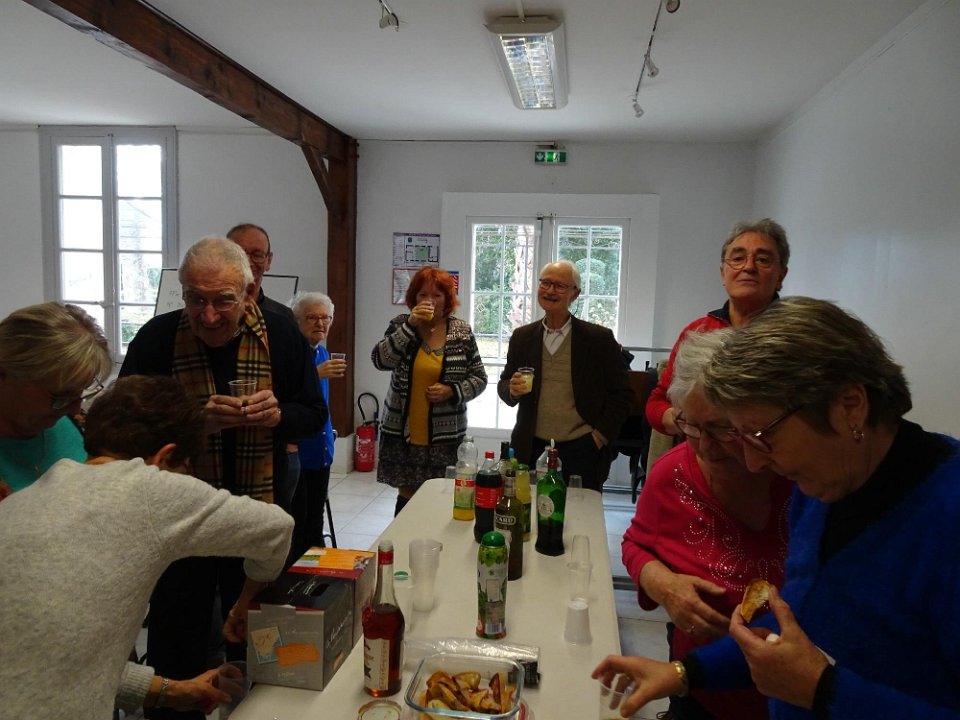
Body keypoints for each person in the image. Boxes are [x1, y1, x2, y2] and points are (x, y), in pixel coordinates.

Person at [594, 297, 960, 719]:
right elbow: (793, 627)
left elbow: (816, 677)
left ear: (849, 406)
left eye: (762, 436)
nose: (753, 463)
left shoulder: (944, 517)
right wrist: (684, 672)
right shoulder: (821, 487)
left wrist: (824, 691)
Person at [0, 375, 294, 718]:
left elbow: (60, 656)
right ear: (164, 458)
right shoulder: (149, 488)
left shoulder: (27, 498)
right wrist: (244, 603)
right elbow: (277, 529)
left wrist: (171, 690)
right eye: (187, 468)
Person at [120, 236, 326, 720]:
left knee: (256, 636)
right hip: (177, 520)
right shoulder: (157, 339)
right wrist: (194, 424)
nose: (208, 315)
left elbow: (313, 415)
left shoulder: (281, 334)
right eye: (195, 299)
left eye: (222, 301)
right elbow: (121, 433)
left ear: (249, 293)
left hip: (255, 512)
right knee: (178, 637)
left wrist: (279, 415)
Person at [622, 330, 791, 720]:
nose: (706, 446)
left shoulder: (800, 477)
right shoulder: (671, 475)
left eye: (723, 428)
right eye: (692, 426)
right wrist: (663, 584)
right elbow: (635, 544)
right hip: (699, 692)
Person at [646, 218, 789, 437]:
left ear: (781, 275)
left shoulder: (795, 335)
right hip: (703, 448)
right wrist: (688, 420)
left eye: (762, 260)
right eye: (738, 258)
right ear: (723, 273)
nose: (749, 267)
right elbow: (658, 402)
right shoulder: (698, 331)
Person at [497, 260, 632, 491]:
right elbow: (504, 384)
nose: (550, 291)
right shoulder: (522, 337)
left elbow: (623, 395)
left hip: (582, 449)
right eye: (545, 283)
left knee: (579, 512)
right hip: (531, 447)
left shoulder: (598, 339)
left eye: (559, 286)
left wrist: (599, 438)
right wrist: (511, 389)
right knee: (528, 509)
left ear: (575, 294)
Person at [372, 266, 487, 514]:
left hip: (446, 437)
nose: (429, 300)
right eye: (423, 294)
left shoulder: (461, 331)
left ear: (447, 299)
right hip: (403, 434)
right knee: (407, 502)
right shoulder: (400, 325)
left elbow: (479, 378)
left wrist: (452, 391)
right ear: (414, 298)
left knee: (441, 499)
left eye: (436, 295)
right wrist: (410, 325)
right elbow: (381, 360)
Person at [0, 302, 112, 496]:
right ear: (4, 375)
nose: (75, 409)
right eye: (61, 396)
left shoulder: (78, 424)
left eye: (81, 393)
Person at [227, 222, 301, 508]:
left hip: (270, 454)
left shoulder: (282, 320)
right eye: (239, 253)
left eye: (257, 254)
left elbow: (304, 401)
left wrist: (279, 415)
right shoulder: (198, 319)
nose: (248, 261)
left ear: (269, 261)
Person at [290, 291, 344, 552]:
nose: (320, 324)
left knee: (315, 518)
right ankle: (297, 571)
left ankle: (316, 568)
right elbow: (281, 393)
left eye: (326, 318)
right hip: (296, 451)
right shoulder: (290, 354)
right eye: (312, 317)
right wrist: (314, 374)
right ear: (296, 320)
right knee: (297, 522)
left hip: (321, 449)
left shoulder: (322, 352)